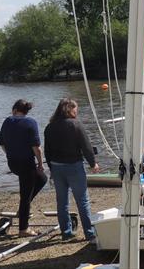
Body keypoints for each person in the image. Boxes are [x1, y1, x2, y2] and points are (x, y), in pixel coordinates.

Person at [44, 98, 99, 242]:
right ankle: (89, 233)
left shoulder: (50, 127)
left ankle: (66, 232)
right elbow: (86, 146)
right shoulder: (76, 124)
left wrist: (51, 167)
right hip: (74, 166)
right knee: (82, 201)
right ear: (69, 109)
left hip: (56, 167)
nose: (77, 111)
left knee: (62, 202)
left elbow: (47, 151)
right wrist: (93, 163)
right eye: (75, 109)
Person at [0, 99, 48, 236]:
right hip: (26, 164)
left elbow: (1, 143)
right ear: (26, 111)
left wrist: (9, 154)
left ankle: (22, 210)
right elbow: (36, 147)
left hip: (13, 163)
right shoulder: (30, 123)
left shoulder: (7, 121)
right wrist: (40, 163)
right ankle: (23, 229)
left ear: (14, 110)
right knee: (25, 196)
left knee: (42, 179)